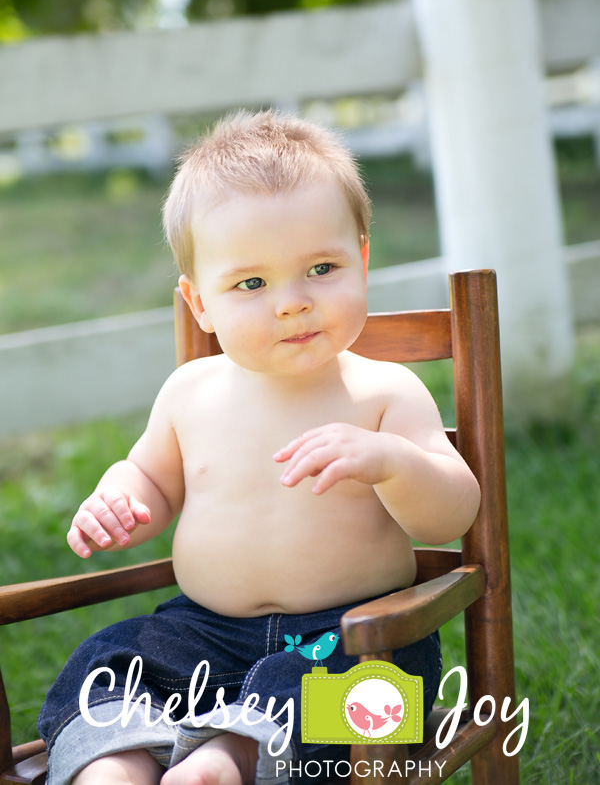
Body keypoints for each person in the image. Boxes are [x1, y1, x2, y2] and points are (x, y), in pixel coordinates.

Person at [38, 110, 480, 785]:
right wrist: (122, 497)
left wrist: (392, 462)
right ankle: (117, 764)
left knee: (369, 700)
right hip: (203, 639)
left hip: (364, 646)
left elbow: (452, 515)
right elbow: (150, 482)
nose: (292, 303)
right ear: (200, 304)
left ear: (362, 259)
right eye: (252, 283)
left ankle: (228, 760)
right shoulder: (189, 392)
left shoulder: (386, 393)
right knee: (107, 659)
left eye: (322, 268)